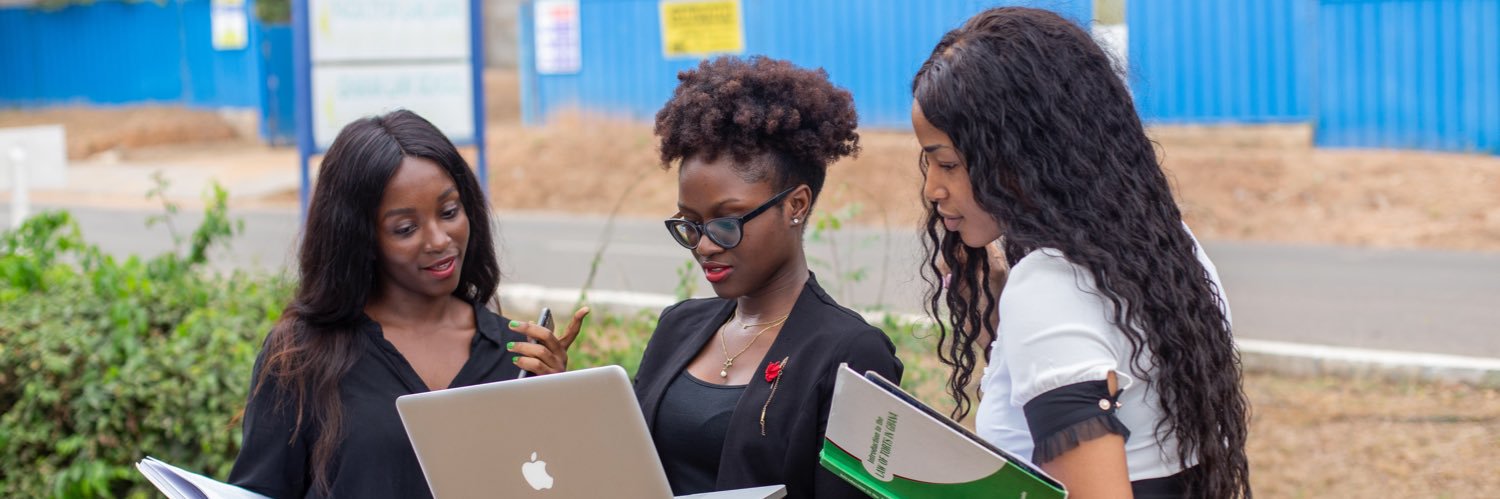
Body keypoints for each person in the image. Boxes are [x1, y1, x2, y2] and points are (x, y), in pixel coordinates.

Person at [910, 7, 1252, 498]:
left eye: (947, 163)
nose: (933, 189)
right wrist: (999, 330)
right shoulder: (1169, 250)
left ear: (1020, 155)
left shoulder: (1049, 290)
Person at [229, 109, 588, 498]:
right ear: (359, 237)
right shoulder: (301, 355)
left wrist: (557, 408)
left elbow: (558, 486)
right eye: (405, 228)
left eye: (449, 212)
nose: (438, 240)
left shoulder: (516, 356)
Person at [632, 55, 903, 498]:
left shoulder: (851, 352)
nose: (704, 244)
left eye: (727, 221)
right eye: (690, 223)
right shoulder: (677, 326)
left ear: (795, 205)